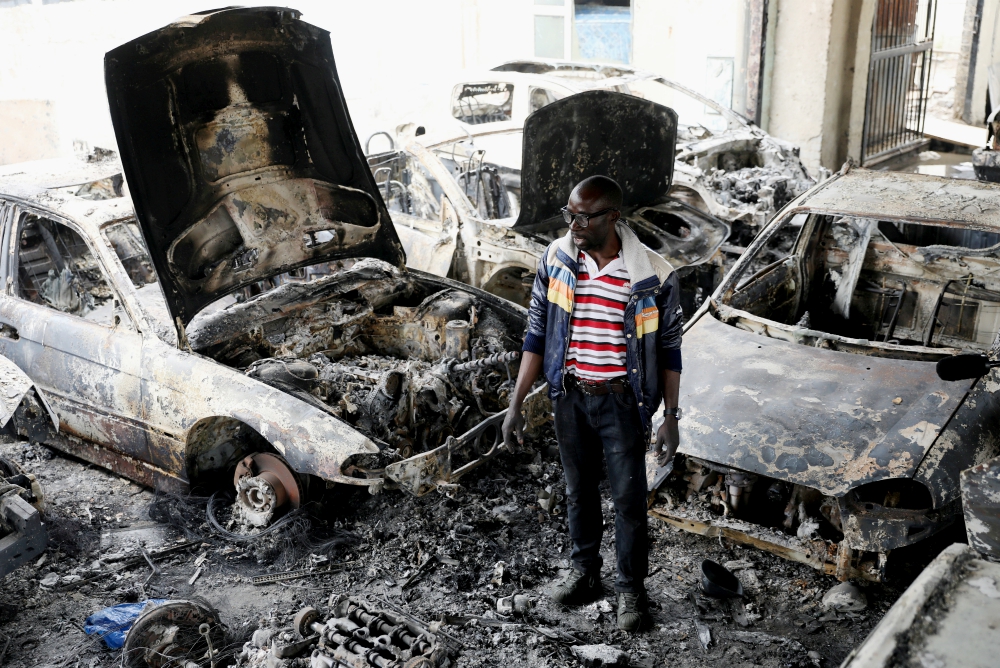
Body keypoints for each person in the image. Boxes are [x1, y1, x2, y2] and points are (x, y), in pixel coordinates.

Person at [501, 175, 683, 633]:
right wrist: (517, 401)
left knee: (628, 500)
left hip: (622, 404)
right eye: (570, 214)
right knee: (577, 491)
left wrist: (670, 417)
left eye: (584, 216)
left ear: (613, 217)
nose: (574, 224)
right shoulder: (557, 258)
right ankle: (584, 574)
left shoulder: (653, 275)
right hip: (570, 396)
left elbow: (670, 351)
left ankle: (630, 590)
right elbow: (537, 332)